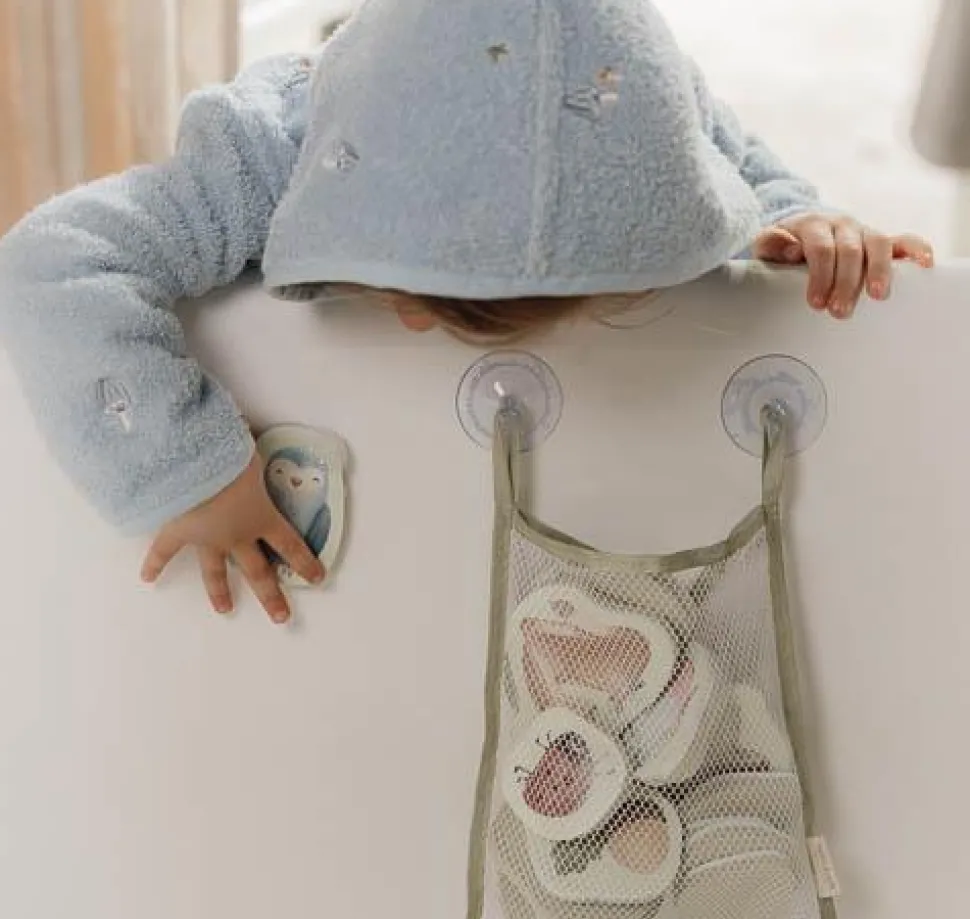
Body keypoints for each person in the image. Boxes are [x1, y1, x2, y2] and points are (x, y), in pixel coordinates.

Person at [0, 0, 934, 624]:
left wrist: (797, 220)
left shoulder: (629, 107)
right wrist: (188, 468)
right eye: (425, 306)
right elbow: (54, 258)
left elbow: (729, 160)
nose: (415, 330)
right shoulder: (279, 152)